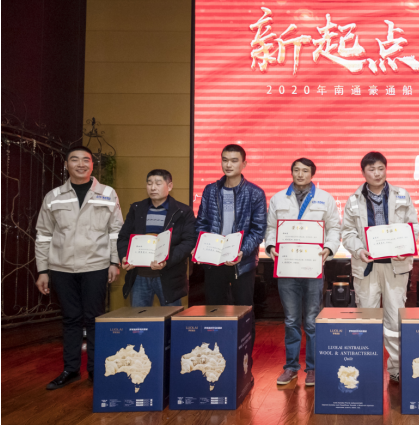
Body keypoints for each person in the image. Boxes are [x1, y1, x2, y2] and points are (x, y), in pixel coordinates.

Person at [35, 146, 123, 390]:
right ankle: (71, 369)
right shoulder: (53, 196)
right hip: (61, 267)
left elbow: (116, 231)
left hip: (96, 266)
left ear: (92, 165)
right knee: (71, 318)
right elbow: (43, 235)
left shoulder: (107, 193)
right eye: (75, 160)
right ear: (66, 165)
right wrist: (43, 270)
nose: (81, 164)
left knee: (94, 319)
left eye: (86, 160)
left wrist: (114, 262)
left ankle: (95, 370)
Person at [340, 152, 419, 383]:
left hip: (396, 266)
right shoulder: (353, 200)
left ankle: (396, 368)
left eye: (380, 168)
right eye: (371, 169)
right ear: (363, 172)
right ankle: (368, 368)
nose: (377, 173)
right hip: (367, 266)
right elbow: (348, 233)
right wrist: (358, 250)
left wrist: (406, 246)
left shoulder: (402, 195)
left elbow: (413, 226)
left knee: (395, 318)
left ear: (386, 169)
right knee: (367, 317)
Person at [265, 158, 341, 387]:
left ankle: (313, 368)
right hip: (286, 266)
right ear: (291, 172)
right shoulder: (278, 198)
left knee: (311, 320)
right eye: (296, 170)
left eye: (305, 171)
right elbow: (271, 228)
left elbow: (334, 228)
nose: (300, 174)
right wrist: (270, 246)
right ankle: (290, 367)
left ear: (312, 174)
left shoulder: (325, 198)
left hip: (312, 266)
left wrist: (329, 248)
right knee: (290, 320)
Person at [195, 144, 267, 369]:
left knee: (244, 311)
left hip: (242, 263)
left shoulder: (255, 193)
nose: (228, 164)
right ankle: (214, 360)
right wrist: (201, 246)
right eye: (225, 160)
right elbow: (201, 223)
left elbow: (258, 230)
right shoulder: (210, 190)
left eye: (234, 160)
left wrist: (241, 251)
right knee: (213, 311)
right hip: (214, 262)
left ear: (244, 164)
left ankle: (244, 360)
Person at [117, 169, 197, 307]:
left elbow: (189, 241)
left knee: (171, 317)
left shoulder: (183, 211)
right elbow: (123, 237)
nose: (153, 187)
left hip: (169, 276)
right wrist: (125, 256)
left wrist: (167, 260)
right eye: (149, 183)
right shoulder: (137, 208)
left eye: (158, 183)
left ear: (169, 186)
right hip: (139, 275)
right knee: (139, 317)